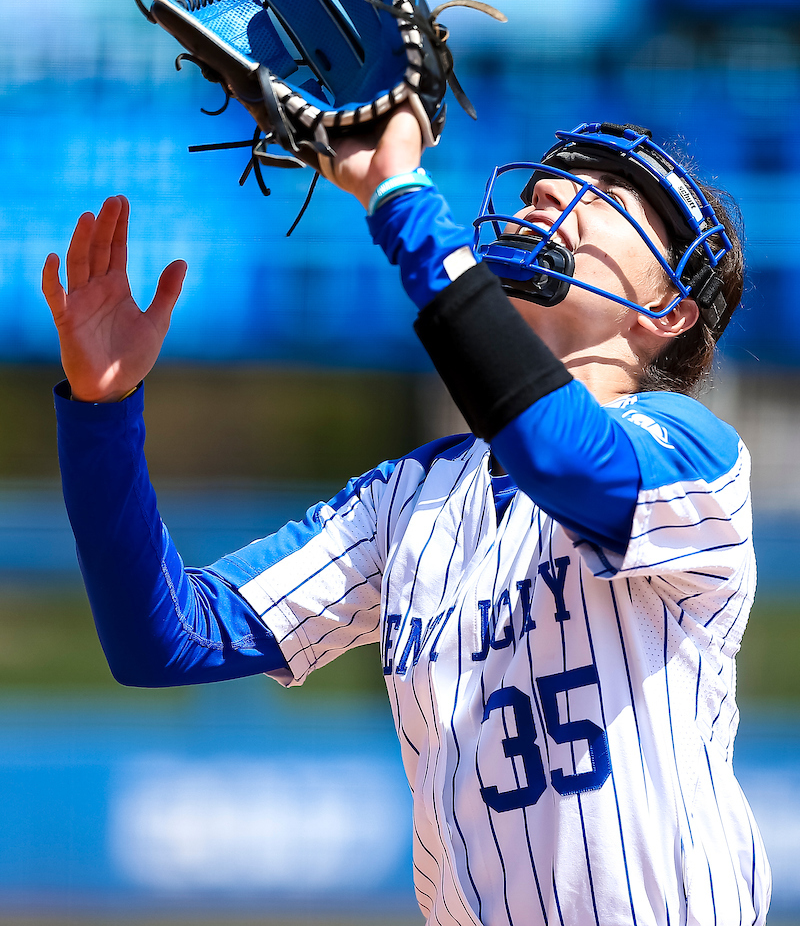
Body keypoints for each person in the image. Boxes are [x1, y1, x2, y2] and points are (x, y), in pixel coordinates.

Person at [42, 110, 770, 925]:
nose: (554, 192)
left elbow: (563, 456)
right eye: (548, 182)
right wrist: (103, 413)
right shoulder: (410, 500)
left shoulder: (694, 455)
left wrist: (402, 197)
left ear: (667, 311)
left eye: (610, 194)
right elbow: (167, 638)